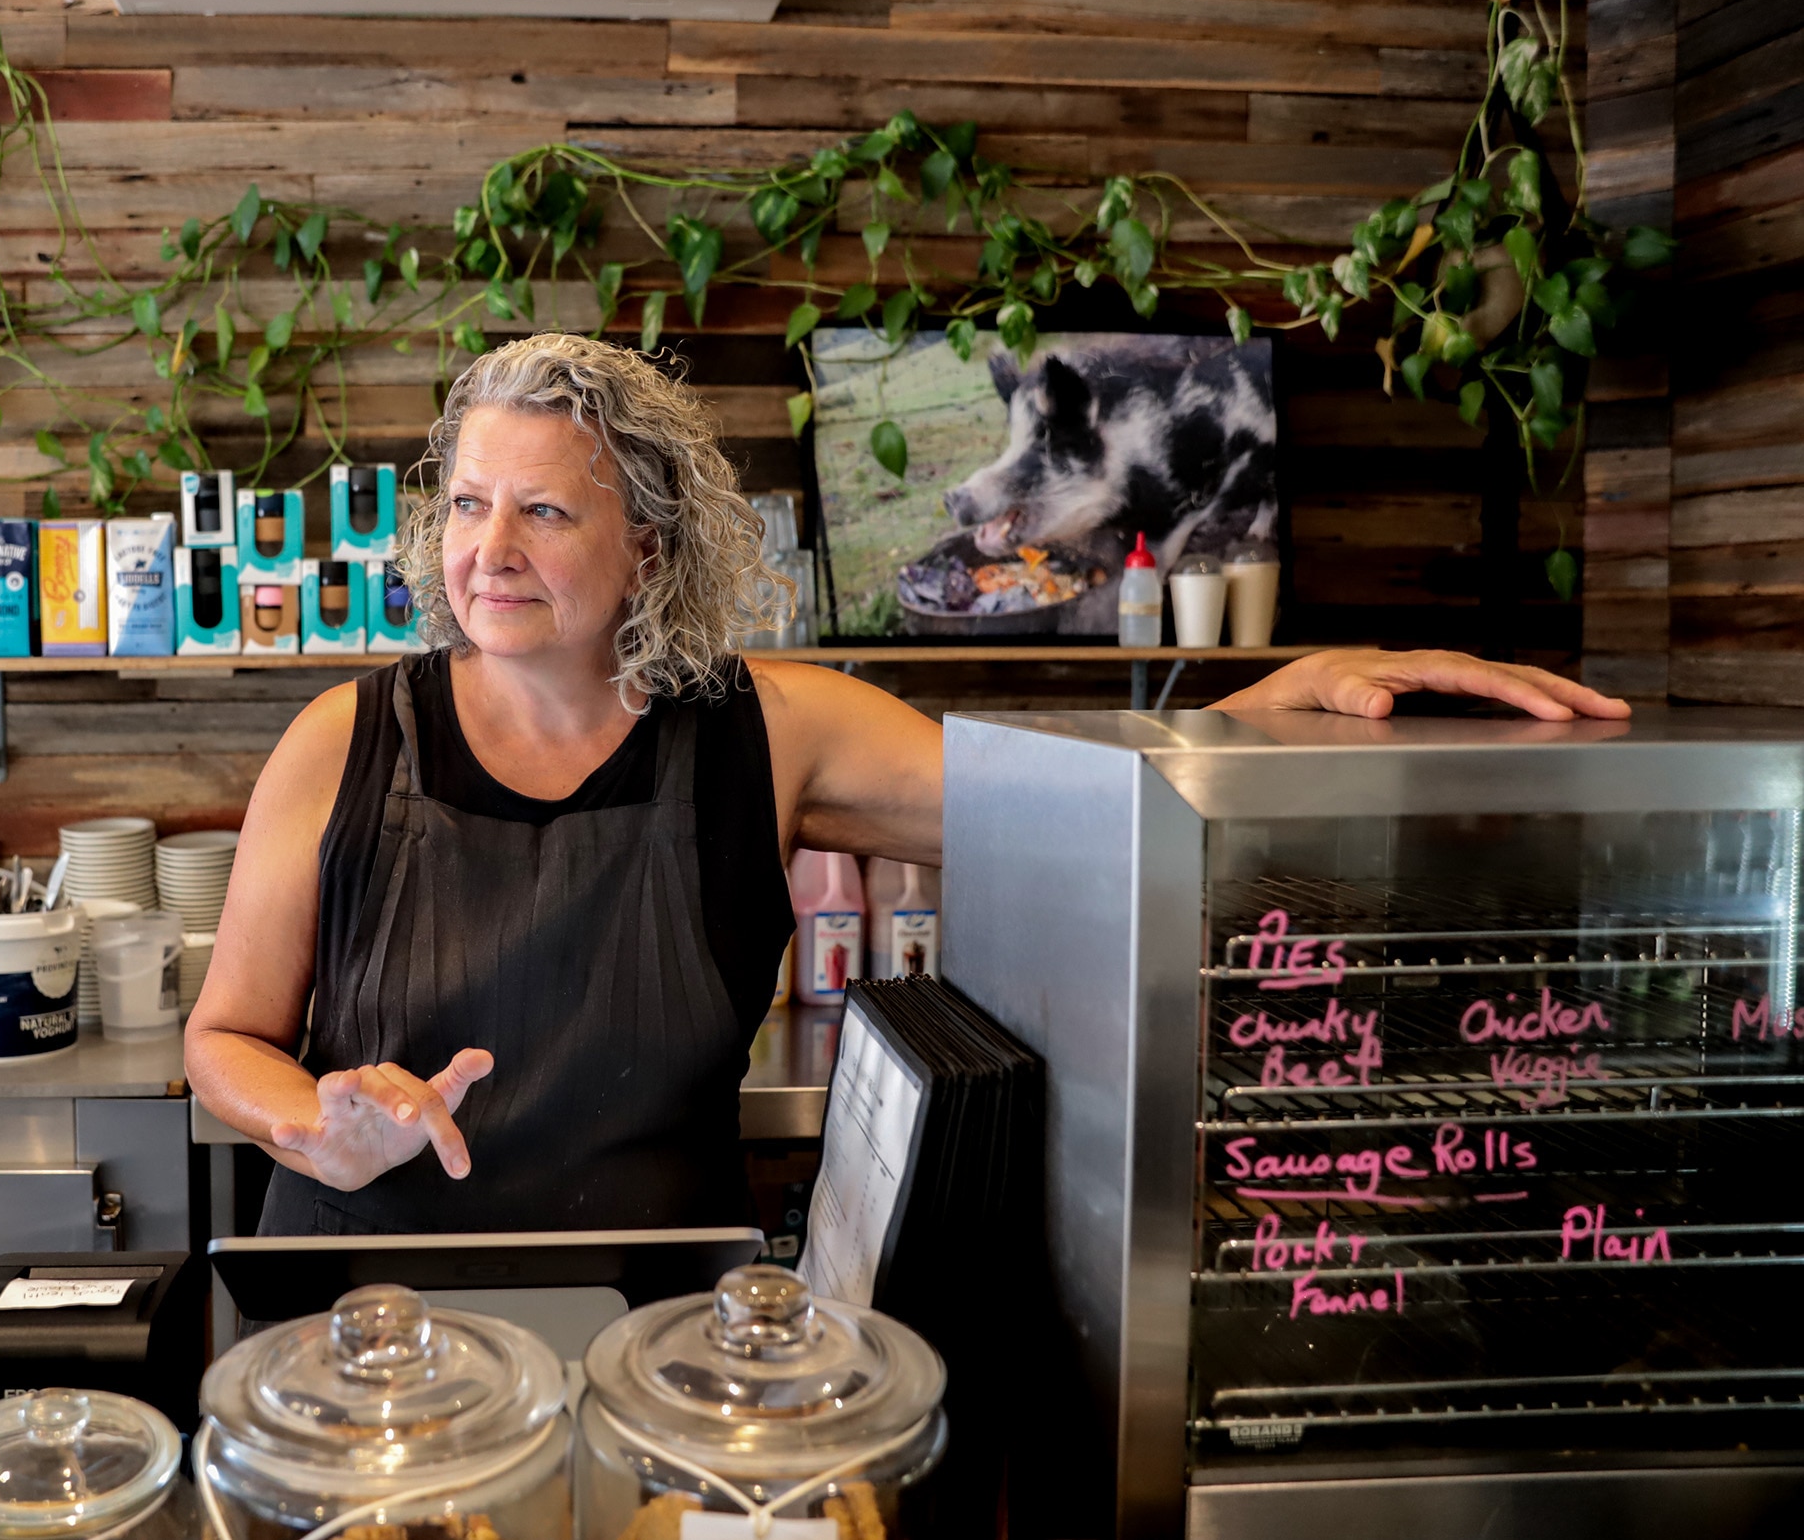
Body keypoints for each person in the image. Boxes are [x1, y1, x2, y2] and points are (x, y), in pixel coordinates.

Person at [185, 333, 1628, 1236]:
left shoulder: (767, 729)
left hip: (661, 1337)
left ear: (651, 542)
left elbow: (1060, 796)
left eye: (546, 507)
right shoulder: (341, 739)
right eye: (470, 502)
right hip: (356, 1327)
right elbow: (224, 1037)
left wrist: (1265, 699)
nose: (489, 545)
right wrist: (312, 1121)